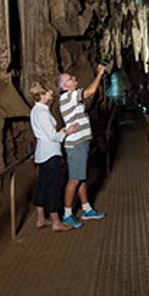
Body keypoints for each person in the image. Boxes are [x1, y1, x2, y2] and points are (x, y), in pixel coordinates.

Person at [57, 63, 108, 228]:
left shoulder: (72, 98)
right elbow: (91, 92)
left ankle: (86, 209)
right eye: (71, 78)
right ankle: (67, 214)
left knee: (81, 178)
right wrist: (100, 73)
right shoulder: (68, 97)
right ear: (66, 86)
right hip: (76, 145)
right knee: (74, 180)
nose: (74, 78)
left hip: (82, 143)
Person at [29, 81, 80, 232]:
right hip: (50, 153)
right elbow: (53, 136)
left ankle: (40, 218)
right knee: (54, 187)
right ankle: (56, 221)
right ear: (42, 95)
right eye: (49, 92)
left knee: (43, 185)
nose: (52, 93)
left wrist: (60, 131)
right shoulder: (42, 113)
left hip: (42, 153)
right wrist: (67, 131)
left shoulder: (37, 110)